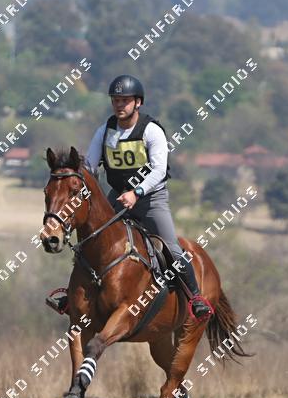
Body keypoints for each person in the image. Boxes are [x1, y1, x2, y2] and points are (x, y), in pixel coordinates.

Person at [48, 74, 213, 320]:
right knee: (91, 240)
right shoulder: (105, 131)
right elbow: (90, 167)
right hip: (117, 197)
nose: (119, 105)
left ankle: (196, 297)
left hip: (151, 199)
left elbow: (159, 169)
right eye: (116, 100)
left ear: (138, 102)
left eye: (125, 100)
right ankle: (74, 296)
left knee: (171, 247)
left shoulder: (151, 130)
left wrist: (137, 192)